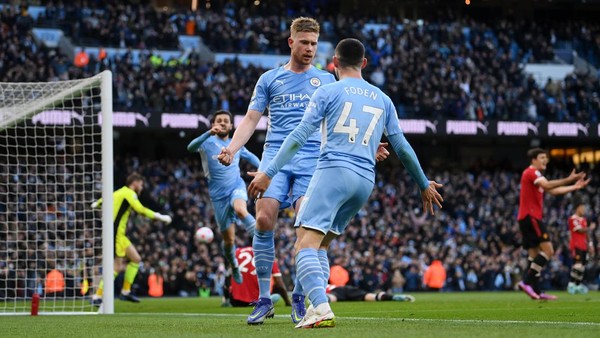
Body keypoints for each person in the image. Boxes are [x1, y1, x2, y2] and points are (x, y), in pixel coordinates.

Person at [247, 38, 443, 329]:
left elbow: (300, 136)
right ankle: (314, 307)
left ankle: (322, 308)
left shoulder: (328, 91)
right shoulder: (382, 98)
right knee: (322, 246)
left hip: (333, 172)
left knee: (303, 245)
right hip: (364, 181)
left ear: (334, 63)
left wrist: (269, 171)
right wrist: (423, 183)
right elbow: (401, 147)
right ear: (364, 63)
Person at [216, 17, 337, 325]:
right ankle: (264, 299)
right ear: (291, 42)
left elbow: (336, 123)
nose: (309, 49)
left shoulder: (325, 81)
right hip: (275, 162)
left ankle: (299, 297)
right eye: (304, 42)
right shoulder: (270, 79)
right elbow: (250, 118)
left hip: (312, 162)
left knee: (306, 232)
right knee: (263, 219)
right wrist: (232, 148)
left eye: (314, 43)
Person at [187, 110, 260, 283]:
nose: (222, 123)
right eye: (218, 121)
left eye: (225, 121)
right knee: (229, 241)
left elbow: (253, 158)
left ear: (231, 125)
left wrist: (262, 171)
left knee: (241, 210)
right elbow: (190, 148)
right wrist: (207, 133)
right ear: (213, 124)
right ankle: (233, 265)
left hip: (236, 186)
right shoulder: (207, 142)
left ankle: (262, 237)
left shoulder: (237, 143)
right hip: (218, 197)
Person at [516, 148, 590, 300]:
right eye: (542, 157)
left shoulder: (535, 177)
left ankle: (536, 291)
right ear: (534, 160)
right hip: (531, 217)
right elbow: (549, 185)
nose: (545, 160)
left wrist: (574, 187)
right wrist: (569, 179)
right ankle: (526, 281)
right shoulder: (532, 173)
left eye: (546, 158)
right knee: (548, 251)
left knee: (534, 255)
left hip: (525, 218)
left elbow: (553, 191)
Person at [90, 173, 172, 306]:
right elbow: (140, 210)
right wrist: (160, 217)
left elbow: (103, 200)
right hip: (116, 234)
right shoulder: (129, 193)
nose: (141, 187)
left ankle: (125, 291)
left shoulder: (117, 192)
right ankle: (98, 296)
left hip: (118, 234)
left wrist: (96, 204)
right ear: (135, 182)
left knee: (136, 259)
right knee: (117, 266)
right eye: (141, 184)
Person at [222, 246, 291, 308]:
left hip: (235, 301)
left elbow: (228, 276)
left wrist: (227, 296)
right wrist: (287, 302)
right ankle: (265, 300)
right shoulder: (267, 253)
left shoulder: (237, 251)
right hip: (257, 300)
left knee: (230, 274)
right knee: (275, 284)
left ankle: (226, 300)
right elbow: (279, 282)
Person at [567, 197, 595, 294]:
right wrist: (590, 228)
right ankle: (571, 284)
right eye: (582, 208)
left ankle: (577, 285)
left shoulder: (583, 219)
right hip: (576, 245)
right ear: (577, 208)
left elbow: (586, 234)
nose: (583, 210)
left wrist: (590, 244)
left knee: (582, 266)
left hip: (583, 245)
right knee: (577, 265)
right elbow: (580, 230)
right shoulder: (572, 219)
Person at [325, 284, 415, 303]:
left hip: (336, 291)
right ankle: (393, 297)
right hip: (347, 288)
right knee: (370, 296)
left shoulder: (319, 286)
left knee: (332, 298)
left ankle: (321, 303)